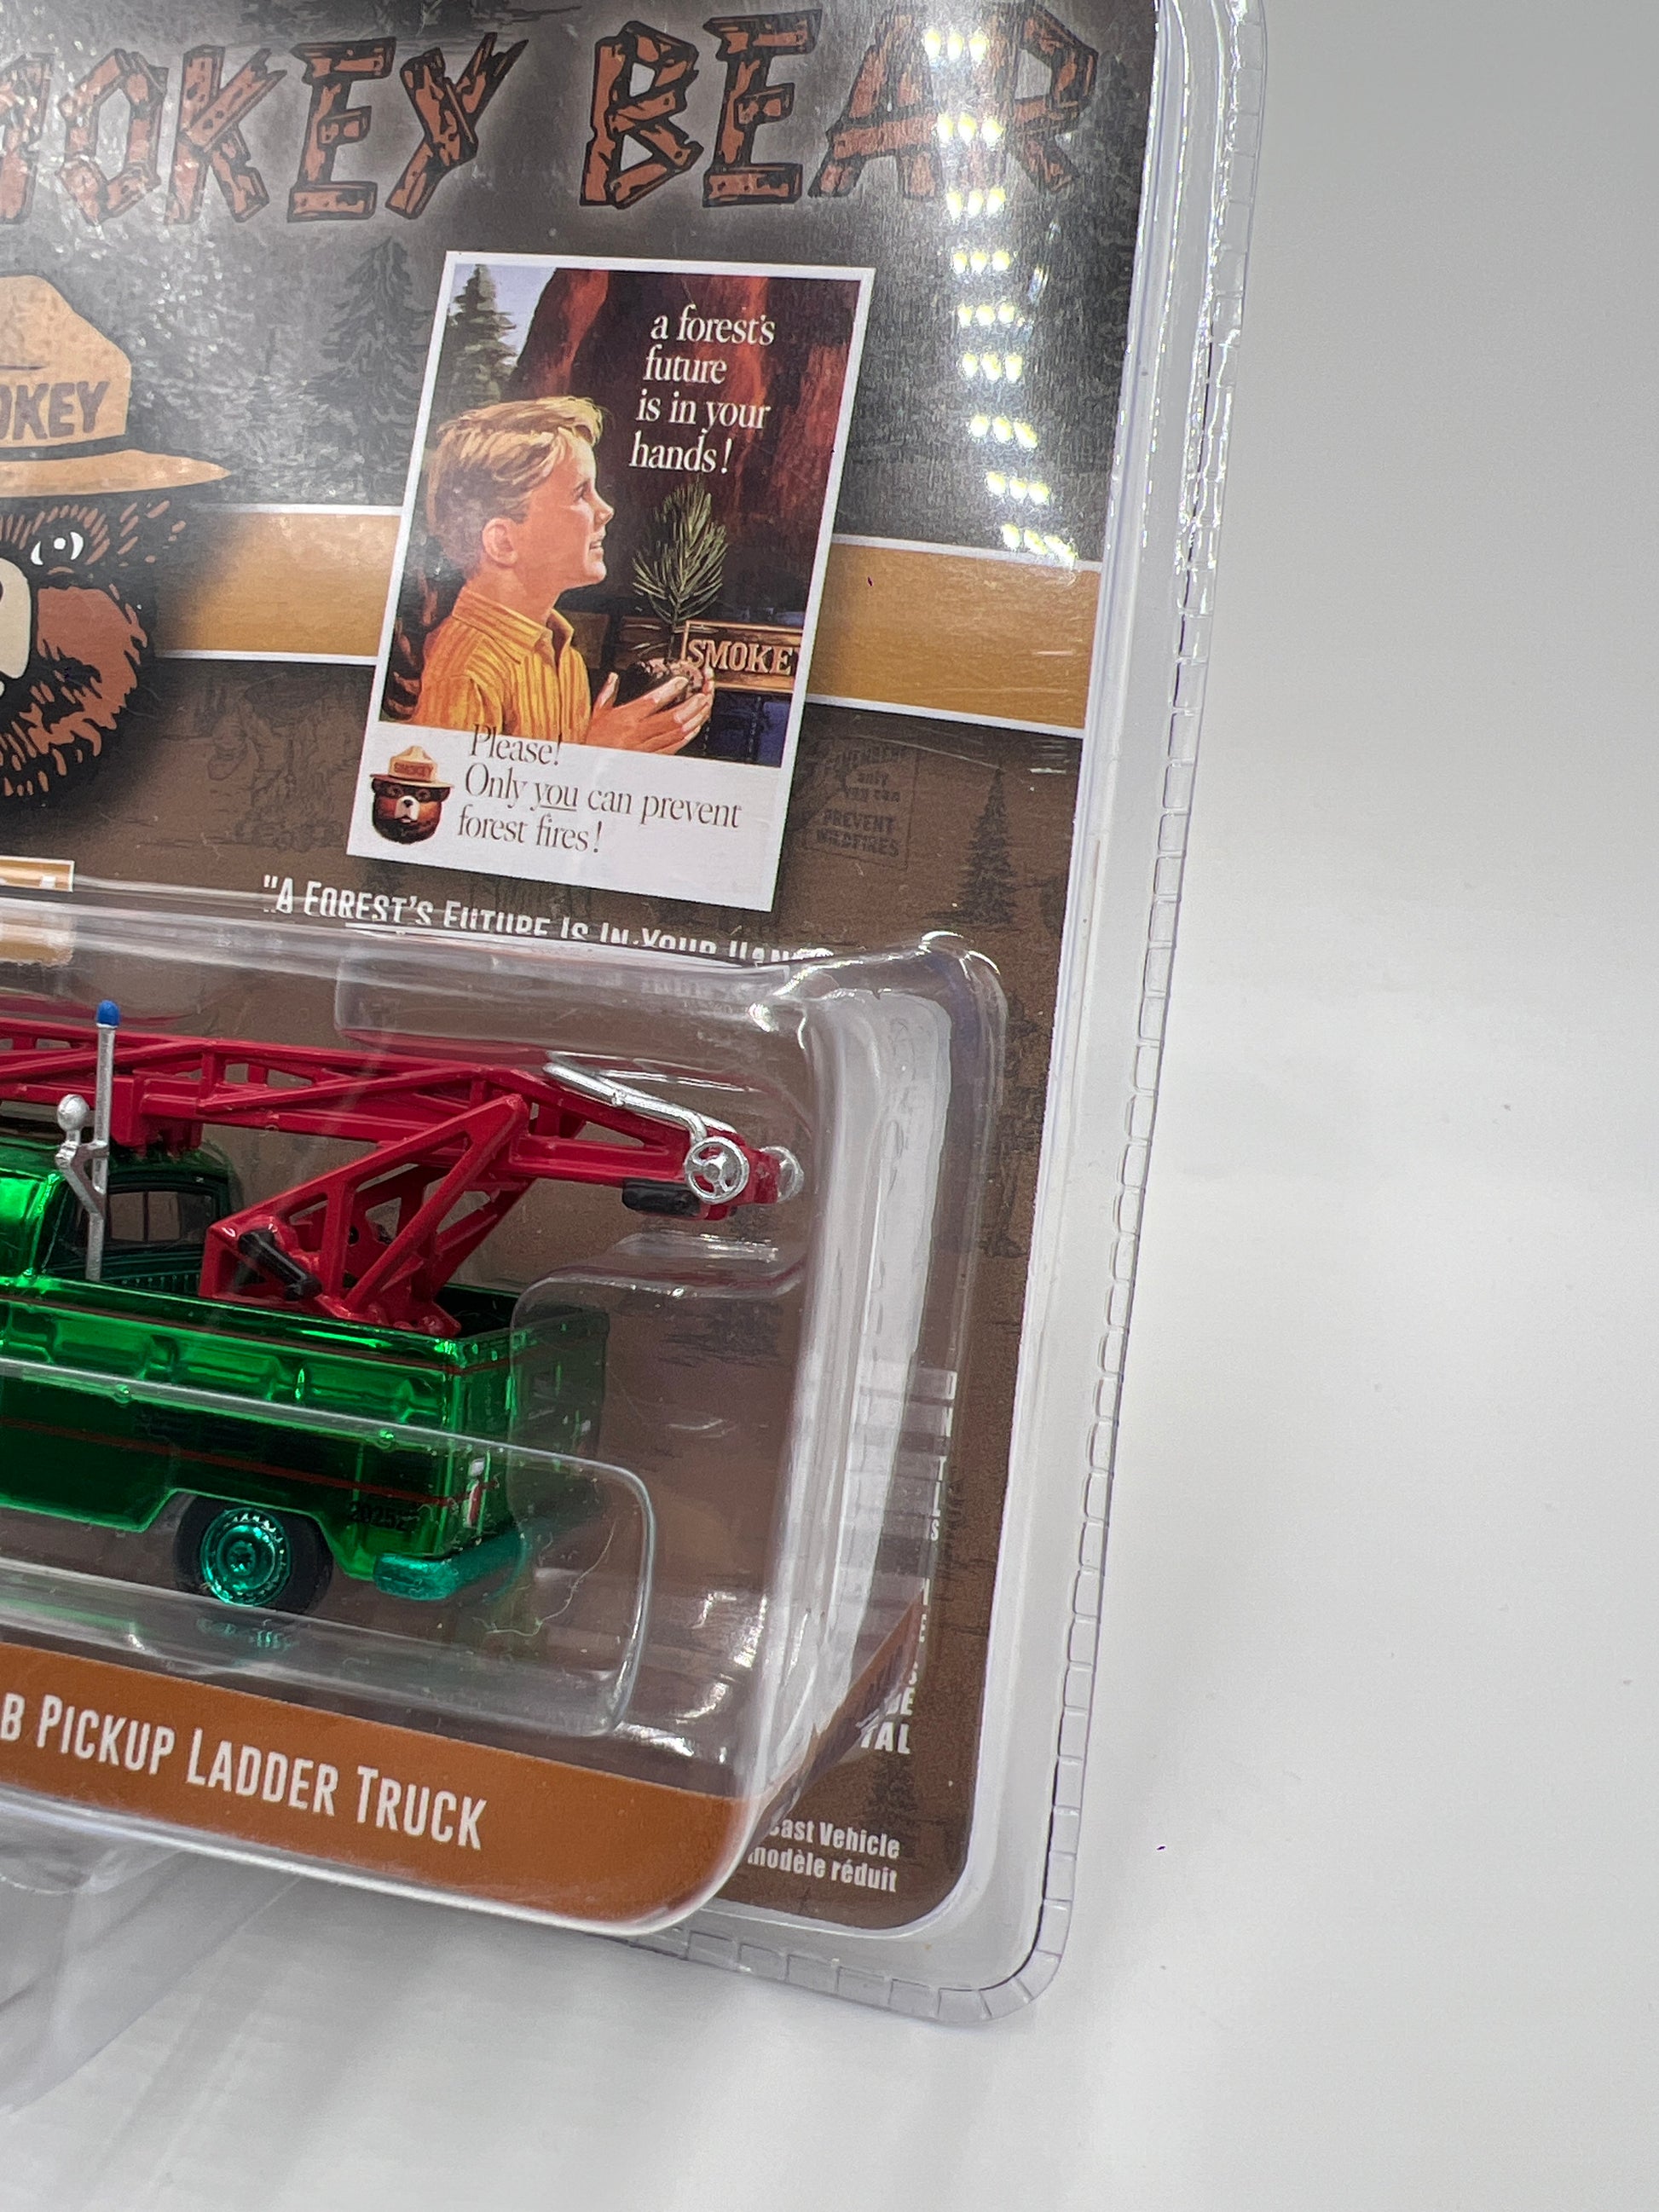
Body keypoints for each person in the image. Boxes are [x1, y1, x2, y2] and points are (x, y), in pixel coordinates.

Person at [413, 396, 712, 752]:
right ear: (503, 542)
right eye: (580, 493)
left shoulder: (565, 659)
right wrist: (599, 754)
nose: (606, 510)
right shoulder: (466, 675)